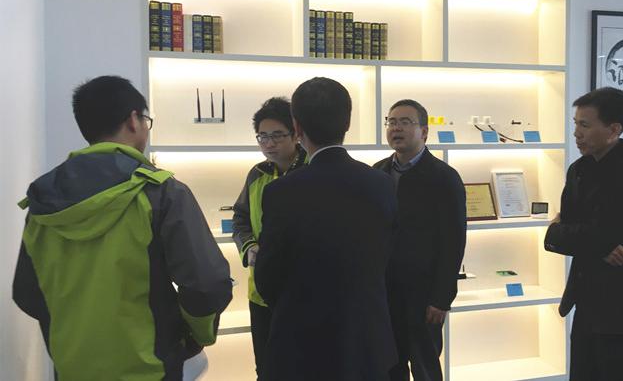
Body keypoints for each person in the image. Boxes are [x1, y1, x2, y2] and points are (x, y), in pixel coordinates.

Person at [12, 75, 233, 381]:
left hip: (73, 368)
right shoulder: (160, 192)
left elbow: (27, 293)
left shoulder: (43, 200)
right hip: (150, 368)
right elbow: (206, 285)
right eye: (146, 121)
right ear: (133, 120)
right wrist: (196, 336)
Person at [254, 77, 398, 381]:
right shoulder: (382, 183)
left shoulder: (282, 191)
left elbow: (267, 276)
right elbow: (388, 259)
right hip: (366, 339)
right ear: (347, 123)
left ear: (297, 128)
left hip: (302, 342)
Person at [544, 87, 623, 381]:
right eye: (575, 124)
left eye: (585, 125)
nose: (577, 133)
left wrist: (570, 233)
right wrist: (569, 235)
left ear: (613, 130)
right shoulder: (577, 170)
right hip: (587, 302)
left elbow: (615, 234)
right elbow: (562, 233)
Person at [373, 99, 466, 381]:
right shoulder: (377, 172)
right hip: (385, 293)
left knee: (425, 368)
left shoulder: (444, 178)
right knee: (389, 366)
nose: (396, 128)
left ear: (424, 132)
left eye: (405, 122)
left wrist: (442, 298)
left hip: (424, 296)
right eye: (391, 122)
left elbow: (453, 242)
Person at [232, 97, 308, 379]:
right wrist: (249, 247)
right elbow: (240, 218)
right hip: (261, 292)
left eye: (277, 135)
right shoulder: (257, 174)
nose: (269, 143)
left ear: (296, 133)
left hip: (303, 293)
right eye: (263, 136)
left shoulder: (312, 170)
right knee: (265, 368)